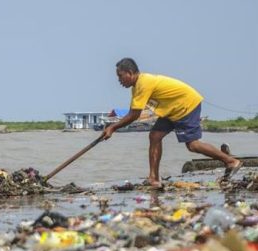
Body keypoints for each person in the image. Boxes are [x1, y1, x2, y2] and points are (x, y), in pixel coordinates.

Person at [102, 58, 242, 189]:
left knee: (193, 145)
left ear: (130, 73)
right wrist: (112, 128)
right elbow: (134, 112)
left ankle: (230, 161)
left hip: (185, 106)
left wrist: (112, 127)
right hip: (171, 110)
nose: (119, 80)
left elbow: (134, 115)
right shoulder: (137, 86)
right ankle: (154, 178)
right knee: (155, 136)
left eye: (120, 76)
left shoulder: (143, 84)